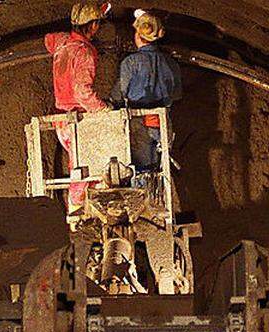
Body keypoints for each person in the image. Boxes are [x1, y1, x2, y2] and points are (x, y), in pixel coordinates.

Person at [45, 1, 112, 214]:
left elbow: (48, 40)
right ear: (91, 26)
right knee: (85, 165)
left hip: (61, 119)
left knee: (80, 162)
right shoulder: (84, 53)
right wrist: (103, 110)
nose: (98, 28)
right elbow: (83, 91)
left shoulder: (62, 42)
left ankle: (83, 204)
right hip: (77, 120)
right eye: (97, 24)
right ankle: (76, 210)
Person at [111, 10, 183, 171]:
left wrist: (110, 102)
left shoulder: (131, 63)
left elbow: (119, 94)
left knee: (139, 172)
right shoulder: (171, 63)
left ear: (138, 35)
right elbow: (177, 95)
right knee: (161, 173)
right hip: (163, 123)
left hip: (139, 124)